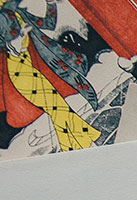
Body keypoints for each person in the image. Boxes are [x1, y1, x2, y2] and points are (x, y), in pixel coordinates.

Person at [0, 0, 99, 151]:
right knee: (56, 108)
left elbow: (48, 24)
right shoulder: (4, 18)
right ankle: (77, 144)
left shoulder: (19, 14)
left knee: (58, 107)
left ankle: (81, 141)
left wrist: (50, 4)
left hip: (34, 67)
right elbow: (9, 40)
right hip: (20, 73)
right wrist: (21, 35)